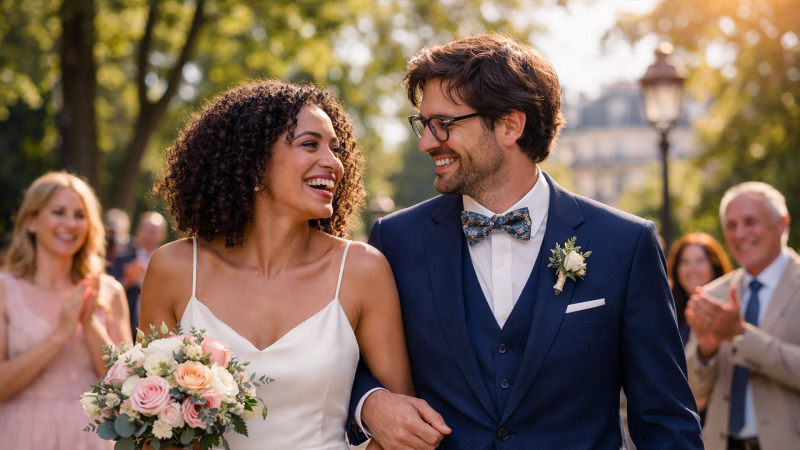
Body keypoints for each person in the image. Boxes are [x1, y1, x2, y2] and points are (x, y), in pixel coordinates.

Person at [347, 34, 703, 450]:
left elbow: (666, 421)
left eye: (443, 124)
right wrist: (371, 404)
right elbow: (340, 365)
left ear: (510, 125)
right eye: (423, 125)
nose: (427, 142)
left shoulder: (625, 243)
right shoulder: (396, 241)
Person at [139, 80, 414, 450]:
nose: (335, 163)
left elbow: (403, 427)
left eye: (335, 149)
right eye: (310, 144)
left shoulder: (362, 271)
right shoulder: (173, 269)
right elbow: (151, 429)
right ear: (252, 161)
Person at [0, 172, 132, 449]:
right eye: (58, 212)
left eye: (80, 215)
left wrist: (90, 323)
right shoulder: (4, 289)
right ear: (31, 221)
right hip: (21, 435)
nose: (70, 224)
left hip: (91, 438)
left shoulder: (109, 291)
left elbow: (127, 390)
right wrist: (59, 335)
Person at [685, 182, 799, 450]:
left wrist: (739, 336)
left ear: (782, 223)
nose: (740, 234)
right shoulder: (713, 294)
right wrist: (705, 352)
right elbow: (692, 391)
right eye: (731, 225)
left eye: (750, 221)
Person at [667, 232, 734, 346]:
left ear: (714, 265)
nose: (692, 269)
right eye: (685, 262)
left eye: (700, 260)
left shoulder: (731, 307)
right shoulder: (666, 312)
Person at [110, 211, 167, 334]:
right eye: (147, 229)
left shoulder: (167, 264)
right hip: (124, 325)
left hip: (155, 329)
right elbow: (108, 294)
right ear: (138, 230)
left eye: (154, 231)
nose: (150, 235)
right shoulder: (121, 257)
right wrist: (127, 281)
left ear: (163, 235)